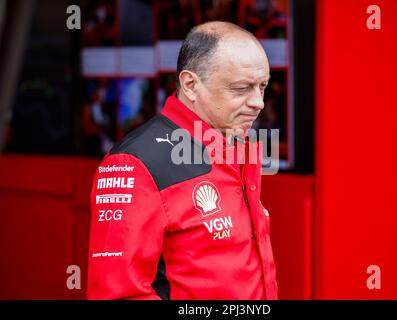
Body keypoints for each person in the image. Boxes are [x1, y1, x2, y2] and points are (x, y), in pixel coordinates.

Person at [88, 21, 278, 300]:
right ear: (190, 84)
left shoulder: (236, 143)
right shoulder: (133, 163)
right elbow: (118, 294)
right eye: (241, 88)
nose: (258, 102)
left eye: (262, 87)